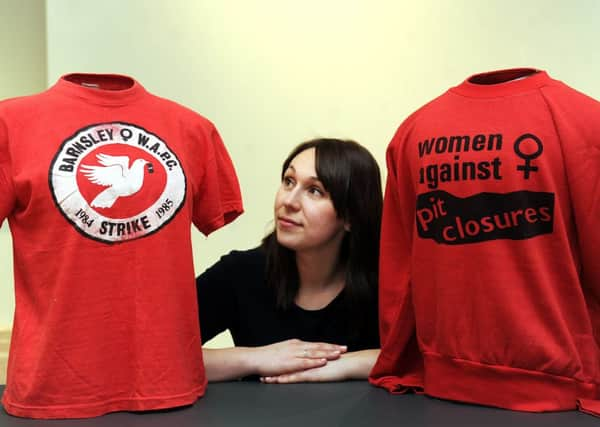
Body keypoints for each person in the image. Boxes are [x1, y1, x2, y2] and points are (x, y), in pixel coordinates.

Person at [196, 138, 382, 383]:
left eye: (315, 191)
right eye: (288, 181)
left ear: (350, 216)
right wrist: (256, 359)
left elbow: (425, 360)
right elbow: (155, 356)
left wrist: (345, 365)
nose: (289, 202)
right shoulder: (239, 273)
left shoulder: (383, 282)